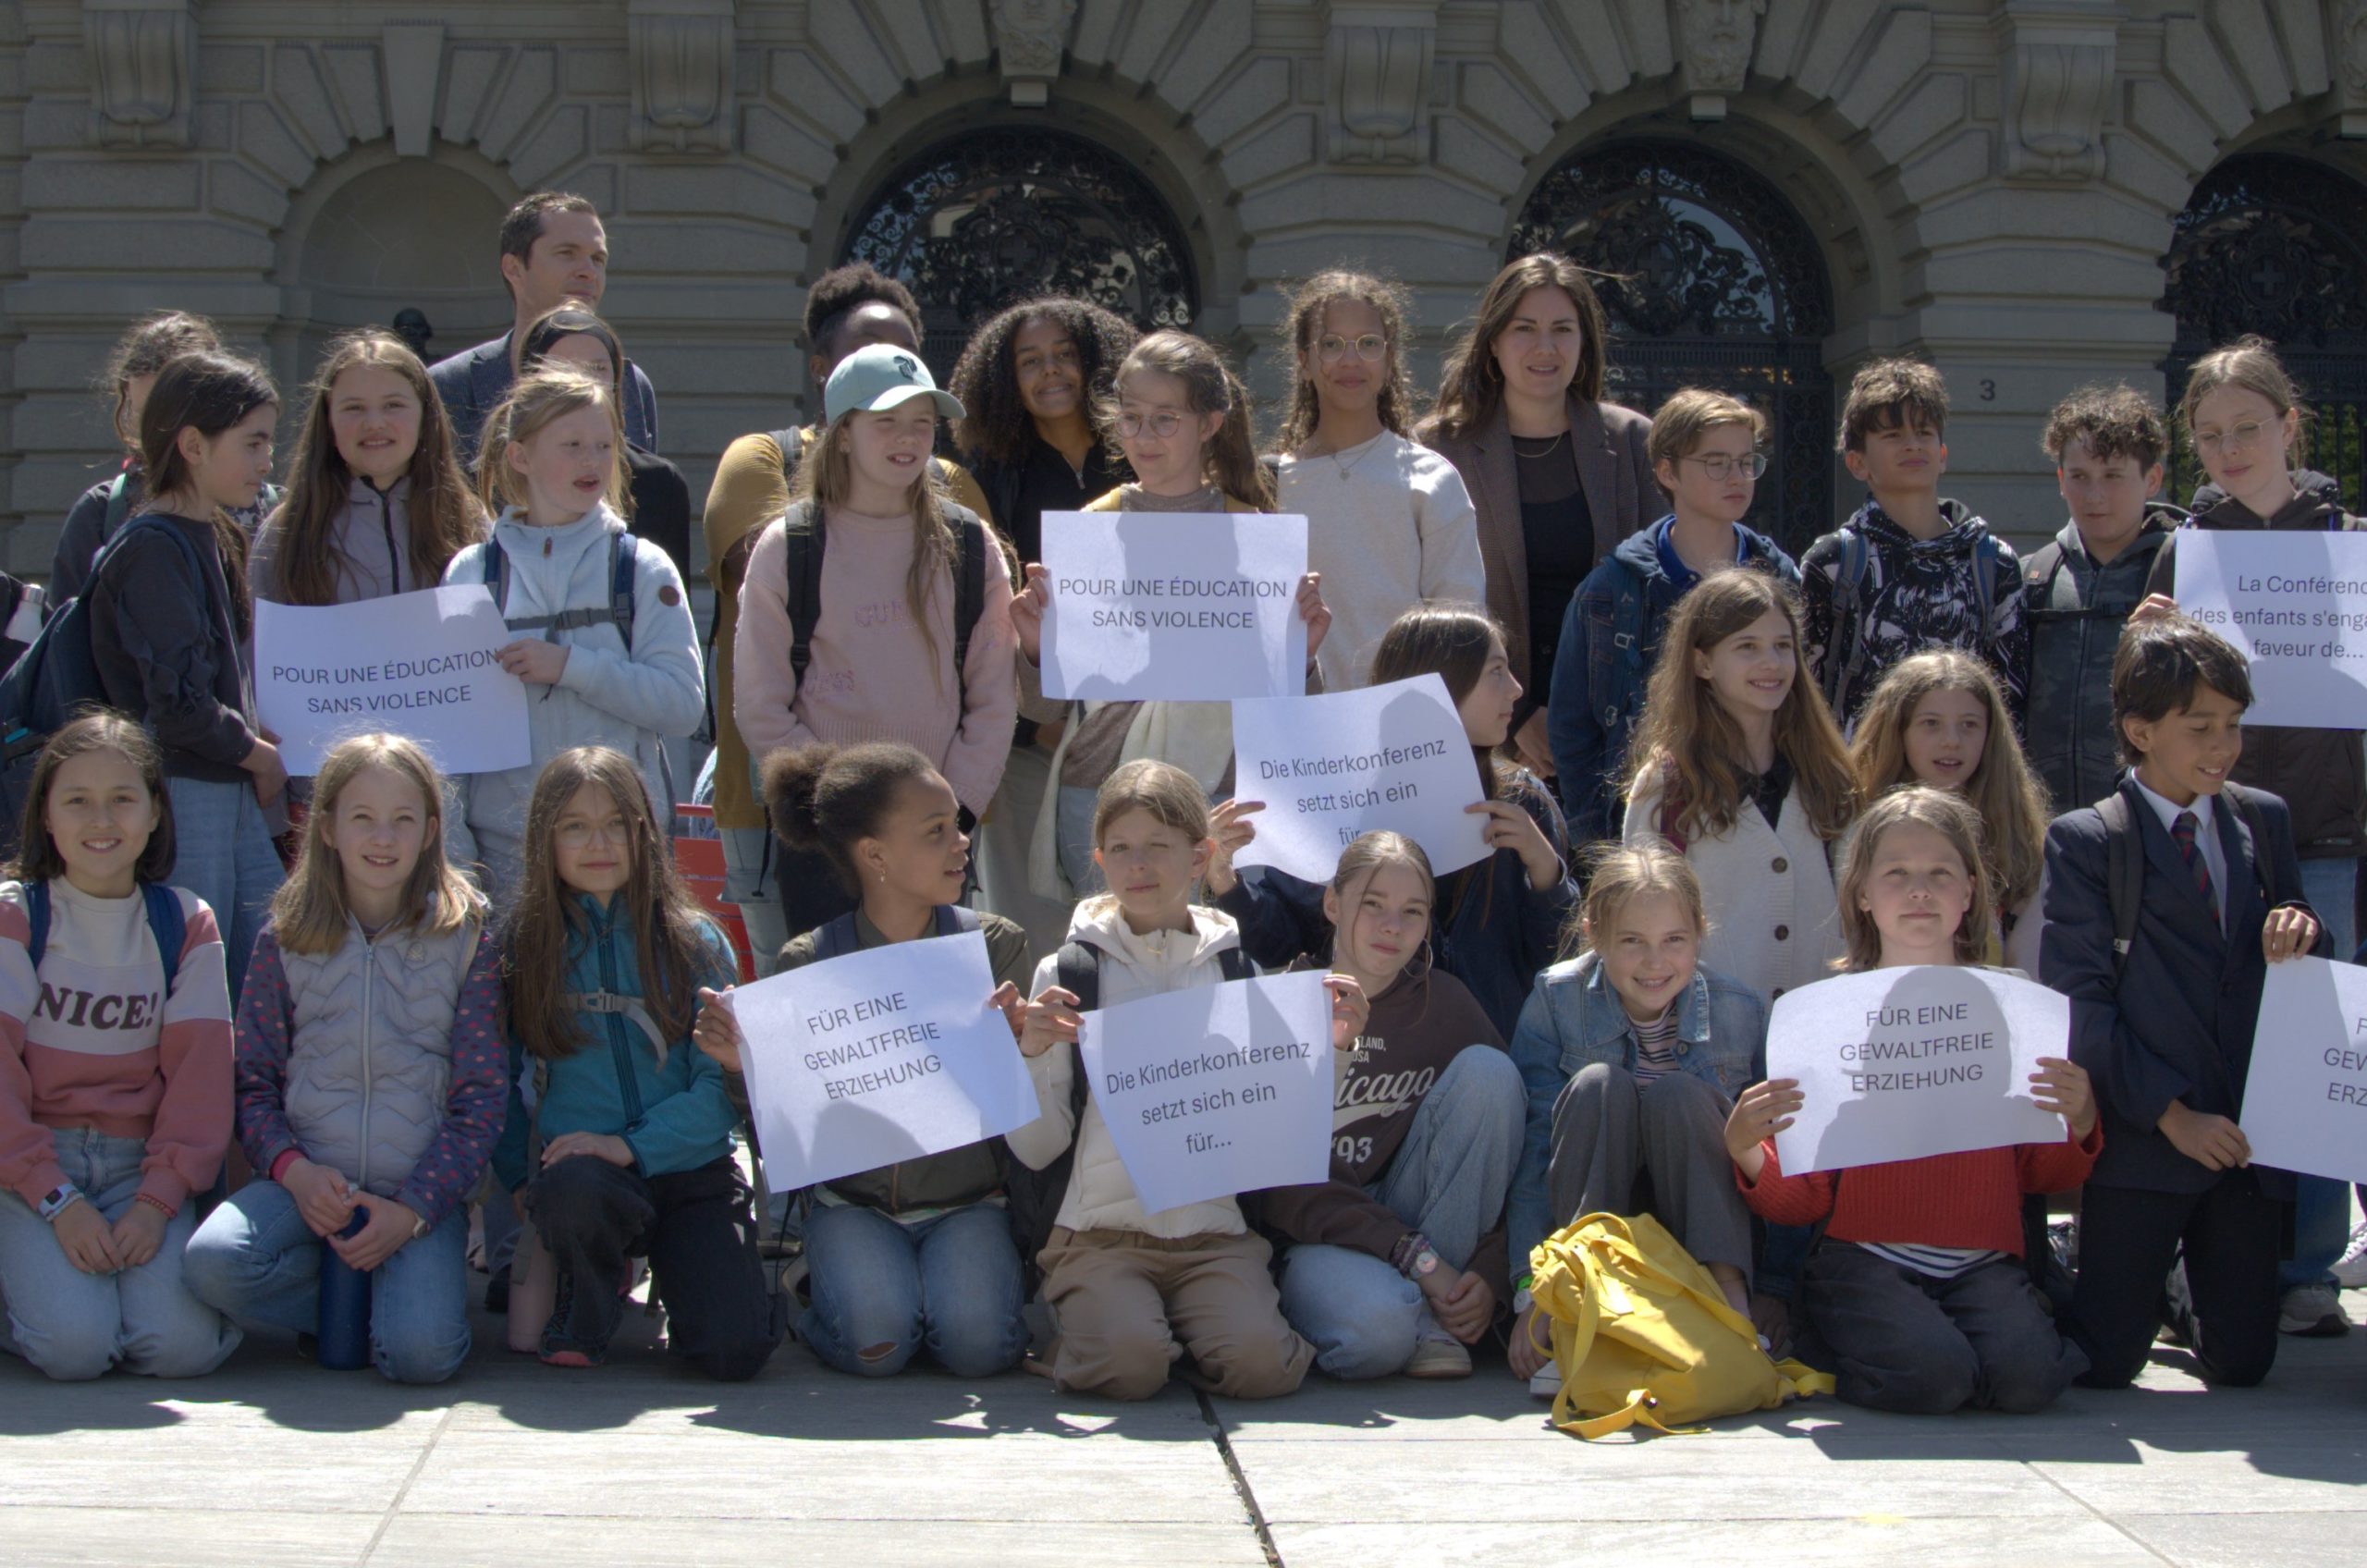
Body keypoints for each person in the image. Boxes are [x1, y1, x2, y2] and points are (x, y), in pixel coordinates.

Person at [1726, 786, 2099, 1415]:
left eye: (1940, 874)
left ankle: (1965, 1345)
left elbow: (2043, 1173)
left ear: (1969, 892)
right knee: (1935, 1379)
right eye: (1896, 874)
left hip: (1983, 1261)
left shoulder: (2012, 1003)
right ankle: (1850, 1338)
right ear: (1863, 895)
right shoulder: (1826, 1016)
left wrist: (2079, 1119)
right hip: (1865, 1259)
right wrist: (1747, 1150)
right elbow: (1805, 1198)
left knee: (2029, 1382)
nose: (1920, 890)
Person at [1006, 759, 1364, 1400]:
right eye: (1121, 849)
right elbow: (1037, 1148)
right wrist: (1030, 1055)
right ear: (1098, 858)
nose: (1138, 865)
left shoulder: (1239, 972)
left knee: (1264, 1368)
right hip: (1100, 1238)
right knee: (1132, 1367)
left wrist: (1332, 1050)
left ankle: (1188, 1335)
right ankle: (1094, 1333)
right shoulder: (1066, 974)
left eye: (1158, 847)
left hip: (1213, 1237)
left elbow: (1276, 1129)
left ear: (1200, 858)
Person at [2135, 337, 2364, 1339]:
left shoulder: (2348, 538)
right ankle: (2214, 1262)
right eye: (2209, 435)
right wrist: (2143, 638)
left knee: (2316, 1046)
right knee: (2220, 1036)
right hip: (2210, 828)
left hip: (2326, 833)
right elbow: (2138, 700)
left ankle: (2308, 1263)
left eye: (2247, 428)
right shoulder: (2187, 548)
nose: (2229, 449)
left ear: (2288, 426)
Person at [691, 741, 1032, 1378]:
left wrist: (1027, 1050)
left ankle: (934, 1294)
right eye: (936, 831)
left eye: (957, 823)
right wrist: (741, 1069)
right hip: (852, 1206)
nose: (961, 841)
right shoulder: (807, 963)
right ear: (873, 855)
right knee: (877, 1346)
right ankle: (818, 1292)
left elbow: (1028, 1120)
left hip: (971, 1202)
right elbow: (780, 1136)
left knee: (977, 1350)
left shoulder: (995, 947)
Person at [2045, 613, 2325, 1388]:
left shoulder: (2263, 819)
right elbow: (2081, 1007)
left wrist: (2304, 930)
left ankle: (2180, 1293)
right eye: (2198, 726)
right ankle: (2088, 1270)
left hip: (2243, 1138)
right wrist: (2173, 1116)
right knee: (2104, 1362)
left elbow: (2306, 968)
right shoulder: (2088, 840)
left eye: (2233, 725)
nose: (2223, 746)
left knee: (2243, 1361)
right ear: (2140, 730)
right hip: (2147, 1135)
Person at [702, 263, 999, 972]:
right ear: (840, 432)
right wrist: (840, 820)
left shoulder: (969, 542)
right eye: (886, 422)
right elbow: (763, 705)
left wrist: (944, 821)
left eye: (922, 423)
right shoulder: (789, 544)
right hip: (824, 847)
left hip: (941, 839)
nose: (908, 438)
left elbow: (990, 698)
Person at [180, 734, 502, 1384]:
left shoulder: (467, 937)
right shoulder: (286, 935)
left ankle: (393, 1299)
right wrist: (294, 1172)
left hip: (417, 1195)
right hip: (305, 1189)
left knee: (421, 1357)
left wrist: (412, 1211)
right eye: (362, 818)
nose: (382, 838)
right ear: (325, 827)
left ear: (431, 829)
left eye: (402, 820)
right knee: (213, 1261)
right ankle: (341, 1303)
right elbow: (254, 1083)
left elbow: (481, 1099)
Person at [1009, 330, 1330, 902]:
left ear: (1210, 423)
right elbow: (1042, 709)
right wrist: (1035, 649)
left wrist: (1303, 658)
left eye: (1165, 419)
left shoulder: (1255, 534)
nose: (1143, 436)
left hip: (1220, 799)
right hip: (1099, 793)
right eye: (1131, 418)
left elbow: (1288, 717)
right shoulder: (1089, 528)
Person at [491, 747, 778, 1378]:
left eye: (616, 823)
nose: (599, 843)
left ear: (644, 833)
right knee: (571, 1186)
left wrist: (634, 1147)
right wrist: (517, 1177)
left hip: (689, 1169)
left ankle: (686, 1279)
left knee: (734, 1352)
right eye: (575, 826)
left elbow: (719, 1088)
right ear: (545, 839)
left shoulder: (694, 941)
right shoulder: (523, 946)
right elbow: (494, 1079)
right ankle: (589, 1290)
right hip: (583, 1177)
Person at [0, 714, 239, 1380]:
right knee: (76, 1351)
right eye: (77, 800)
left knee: (182, 1350)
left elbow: (200, 1084)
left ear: (156, 812)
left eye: (123, 799)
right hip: (29, 1172)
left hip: (140, 1169)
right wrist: (56, 1200)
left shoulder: (185, 923)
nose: (101, 819)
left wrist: (158, 1200)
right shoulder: (17, 915)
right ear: (46, 815)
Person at [1209, 605, 1576, 1040]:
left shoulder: (1524, 801)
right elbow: (1284, 941)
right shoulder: (1342, 800)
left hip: (1492, 1060)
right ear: (1440, 685)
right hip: (1371, 1067)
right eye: (1496, 672)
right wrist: (1226, 882)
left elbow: (1561, 963)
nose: (1517, 689)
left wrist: (1545, 873)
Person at [1256, 831, 1527, 1381]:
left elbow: (1506, 1156)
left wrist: (1491, 1273)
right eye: (1372, 905)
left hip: (1423, 1223)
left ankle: (1434, 1318)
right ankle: (1417, 1318)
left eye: (1412, 912)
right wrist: (1418, 1261)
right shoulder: (1278, 1004)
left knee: (1492, 1074)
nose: (1391, 927)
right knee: (1377, 1335)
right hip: (1319, 1236)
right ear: (1333, 903)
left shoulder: (1445, 1002)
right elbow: (1276, 1191)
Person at [1504, 841, 1765, 1387]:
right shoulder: (1557, 1000)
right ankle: (1573, 1304)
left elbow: (1771, 1159)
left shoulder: (1739, 1010)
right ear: (1594, 936)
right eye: (1632, 942)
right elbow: (1535, 1152)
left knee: (1679, 1095)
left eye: (1674, 940)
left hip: (1694, 1218)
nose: (1655, 962)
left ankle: (1729, 1306)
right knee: (1599, 1085)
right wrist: (1532, 1292)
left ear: (1699, 933)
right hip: (1596, 1207)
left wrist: (1777, 1292)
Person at [440, 365, 702, 908]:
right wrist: (457, 863)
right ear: (520, 457)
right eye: (573, 445)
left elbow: (682, 707)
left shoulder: (642, 567)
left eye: (604, 445)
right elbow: (449, 742)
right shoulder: (470, 573)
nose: (593, 461)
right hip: (506, 860)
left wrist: (570, 667)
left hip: (623, 856)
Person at [84, 352, 288, 996]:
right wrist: (257, 757)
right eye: (253, 442)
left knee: (261, 973)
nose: (267, 462)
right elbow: (177, 704)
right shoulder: (151, 547)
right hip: (179, 792)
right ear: (193, 445)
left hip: (224, 786)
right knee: (197, 984)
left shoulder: (215, 534)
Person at [950, 296, 1139, 962]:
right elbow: (971, 623)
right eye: (1030, 361)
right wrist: (1036, 726)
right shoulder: (987, 480)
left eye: (1065, 355)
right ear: (1006, 381)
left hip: (1142, 734)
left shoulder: (1143, 460)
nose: (1050, 372)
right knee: (1033, 937)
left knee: (1134, 929)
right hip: (1028, 740)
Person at [1417, 253, 1657, 779]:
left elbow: (1660, 594)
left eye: (1562, 330)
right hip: (1478, 733)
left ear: (1584, 343)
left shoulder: (1634, 442)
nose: (1545, 347)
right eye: (1524, 328)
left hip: (1612, 729)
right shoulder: (1437, 449)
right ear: (1494, 342)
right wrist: (1517, 713)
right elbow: (1427, 604)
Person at [1548, 386, 1800, 841]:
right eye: (1716, 463)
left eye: (1747, 462)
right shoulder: (1610, 590)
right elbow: (1573, 728)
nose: (1737, 476)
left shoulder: (1783, 580)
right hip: (1650, 823)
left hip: (1763, 816)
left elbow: (1803, 702)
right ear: (1668, 472)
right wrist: (1595, 837)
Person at [1621, 569, 1858, 1007]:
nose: (1771, 662)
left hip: (1819, 1029)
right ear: (1702, 662)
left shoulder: (1829, 776)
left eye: (1782, 647)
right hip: (1709, 1041)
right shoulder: (1667, 784)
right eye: (1747, 647)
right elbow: (1636, 918)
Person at [1269, 271, 1484, 691]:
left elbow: (1461, 629)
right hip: (1296, 730)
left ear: (1389, 360)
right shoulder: (1270, 485)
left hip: (1403, 731)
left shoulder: (1433, 480)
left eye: (1368, 344)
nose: (1351, 361)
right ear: (1304, 361)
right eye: (1331, 345)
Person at [1799, 360, 2026, 730]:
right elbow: (1807, 689)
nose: (1912, 445)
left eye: (1924, 432)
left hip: (1964, 776)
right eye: (1892, 435)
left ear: (1943, 456)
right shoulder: (1833, 562)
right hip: (1861, 777)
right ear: (1857, 463)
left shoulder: (1993, 562)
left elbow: (2012, 695)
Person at [2021, 385, 2178, 814]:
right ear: (2060, 480)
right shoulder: (2032, 576)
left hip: (2152, 820)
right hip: (2044, 823)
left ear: (2152, 479)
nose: (2094, 496)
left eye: (2112, 476)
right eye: (2079, 477)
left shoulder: (2185, 576)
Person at [51, 312, 279, 606]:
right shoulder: (102, 513)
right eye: (140, 414)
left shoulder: (275, 516)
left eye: (166, 415)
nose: (152, 433)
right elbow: (66, 638)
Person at [250, 327, 486, 609]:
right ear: (328, 423)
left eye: (393, 405)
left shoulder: (468, 520)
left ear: (425, 417)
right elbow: (259, 645)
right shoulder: (289, 530)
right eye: (354, 408)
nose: (374, 423)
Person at [1846, 651, 2051, 972]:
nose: (1952, 741)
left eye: (1969, 725)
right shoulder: (1850, 830)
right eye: (1931, 724)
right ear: (1898, 731)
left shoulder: (2020, 839)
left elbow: (2029, 969)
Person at [429, 191, 657, 461]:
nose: (588, 271)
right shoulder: (449, 386)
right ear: (514, 269)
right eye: (567, 254)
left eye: (598, 259)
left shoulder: (631, 384)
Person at [515, 306, 692, 581]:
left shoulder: (660, 484)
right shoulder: (490, 483)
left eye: (598, 368)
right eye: (565, 368)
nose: (585, 381)